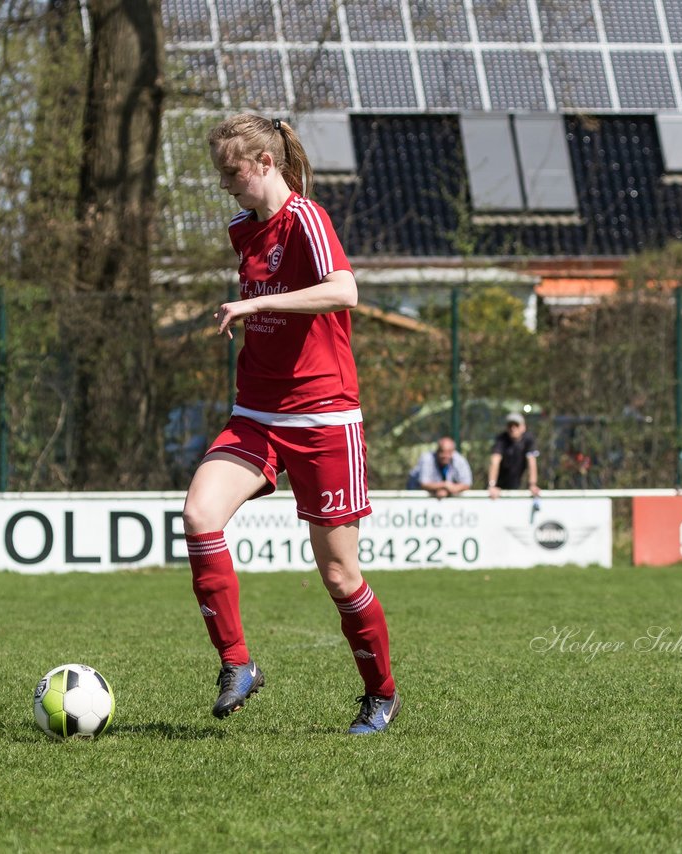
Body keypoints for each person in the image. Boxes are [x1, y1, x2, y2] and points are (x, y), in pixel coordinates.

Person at [181, 114, 399, 734]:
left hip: (326, 417)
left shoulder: (306, 218)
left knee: (338, 574)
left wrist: (258, 302)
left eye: (233, 171)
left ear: (266, 164)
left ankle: (380, 693)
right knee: (200, 516)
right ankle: (237, 664)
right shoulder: (240, 230)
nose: (226, 183)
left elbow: (344, 292)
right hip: (256, 411)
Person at [487, 411, 542, 499]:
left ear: (523, 427)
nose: (513, 428)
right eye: (510, 425)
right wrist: (492, 485)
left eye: (516, 425)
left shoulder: (528, 440)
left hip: (517, 485)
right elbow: (495, 462)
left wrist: (532, 485)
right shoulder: (501, 440)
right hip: (499, 488)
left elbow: (532, 462)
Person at [409, 436, 473, 497]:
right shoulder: (427, 459)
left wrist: (450, 490)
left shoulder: (459, 460)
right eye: (442, 452)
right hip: (415, 495)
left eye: (449, 452)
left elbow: (467, 484)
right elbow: (424, 484)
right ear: (437, 451)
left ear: (453, 452)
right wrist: (444, 485)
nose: (445, 456)